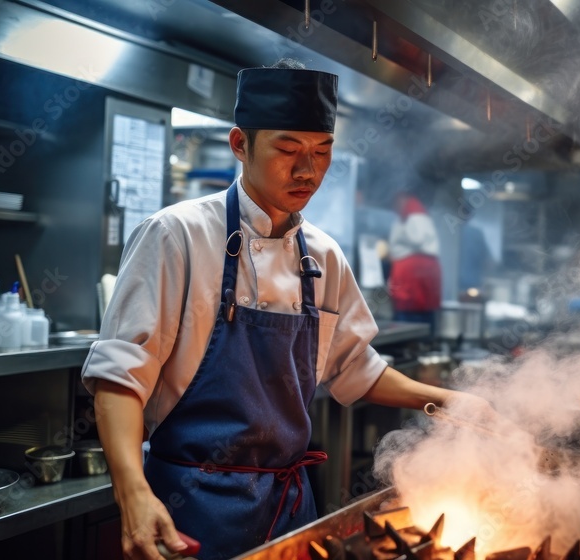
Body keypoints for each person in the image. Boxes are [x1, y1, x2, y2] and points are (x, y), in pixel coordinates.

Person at [81, 60, 494, 560]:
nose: (308, 170)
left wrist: (448, 402)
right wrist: (134, 494)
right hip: (190, 505)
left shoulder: (322, 255)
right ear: (240, 145)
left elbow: (353, 368)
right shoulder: (176, 235)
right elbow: (120, 377)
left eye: (322, 152)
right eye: (288, 149)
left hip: (290, 507)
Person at [387, 191, 442, 332]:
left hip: (410, 279)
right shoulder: (414, 216)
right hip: (419, 277)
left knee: (407, 323)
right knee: (424, 318)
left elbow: (417, 239)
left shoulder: (413, 217)